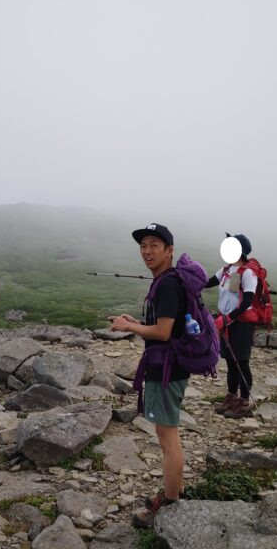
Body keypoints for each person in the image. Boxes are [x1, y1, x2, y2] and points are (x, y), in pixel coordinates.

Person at [108, 223, 188, 528]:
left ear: (169, 251)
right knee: (167, 434)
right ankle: (175, 489)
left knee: (168, 438)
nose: (147, 251)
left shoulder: (167, 284)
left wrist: (129, 327)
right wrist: (137, 321)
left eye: (154, 244)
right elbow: (161, 325)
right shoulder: (167, 282)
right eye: (143, 245)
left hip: (167, 369)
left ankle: (169, 505)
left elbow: (164, 332)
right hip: (169, 366)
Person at [206, 233, 257, 419]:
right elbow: (208, 282)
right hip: (226, 323)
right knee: (230, 361)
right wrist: (188, 281)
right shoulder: (227, 270)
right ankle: (231, 397)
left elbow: (247, 302)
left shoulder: (248, 273)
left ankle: (244, 402)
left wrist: (227, 319)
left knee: (241, 362)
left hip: (241, 324)